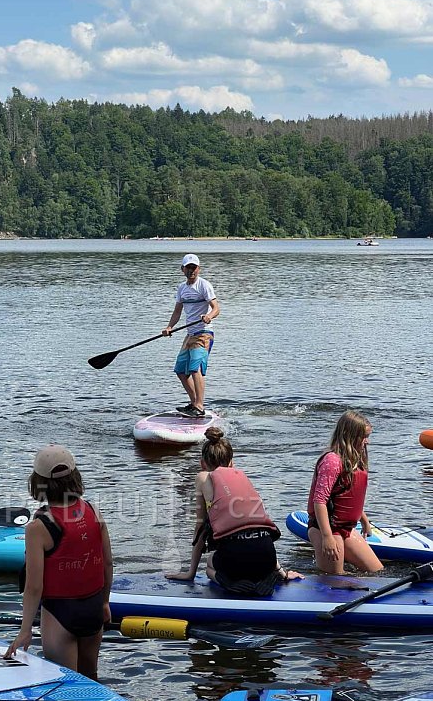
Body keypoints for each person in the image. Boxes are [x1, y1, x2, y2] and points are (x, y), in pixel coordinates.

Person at [4, 445, 113, 680]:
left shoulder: (37, 528)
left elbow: (34, 587)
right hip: (94, 609)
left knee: (66, 686)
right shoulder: (94, 511)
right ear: (75, 477)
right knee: (90, 679)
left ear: (37, 483)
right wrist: (105, 602)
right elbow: (107, 563)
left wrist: (25, 631)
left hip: (60, 615)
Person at [165, 428, 302, 595]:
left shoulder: (202, 477)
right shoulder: (242, 478)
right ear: (232, 463)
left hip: (235, 560)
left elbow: (200, 528)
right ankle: (268, 577)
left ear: (202, 464)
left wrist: (190, 573)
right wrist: (283, 573)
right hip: (267, 556)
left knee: (209, 566)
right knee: (254, 544)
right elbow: (256, 527)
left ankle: (231, 584)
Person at [307, 410, 383, 575]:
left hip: (346, 529)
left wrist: (364, 520)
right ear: (350, 435)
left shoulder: (355, 460)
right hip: (327, 529)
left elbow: (347, 497)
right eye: (364, 437)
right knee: (335, 578)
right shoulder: (332, 461)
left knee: (377, 572)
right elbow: (320, 500)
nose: (367, 442)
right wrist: (327, 537)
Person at [162, 254, 220, 418]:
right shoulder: (182, 288)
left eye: (194, 268)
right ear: (183, 270)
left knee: (195, 369)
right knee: (180, 371)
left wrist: (209, 315)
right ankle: (194, 402)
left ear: (198, 269)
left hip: (204, 333)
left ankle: (200, 406)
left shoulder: (204, 285)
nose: (191, 271)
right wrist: (169, 327)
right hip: (190, 334)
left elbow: (216, 308)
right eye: (188, 268)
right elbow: (177, 311)